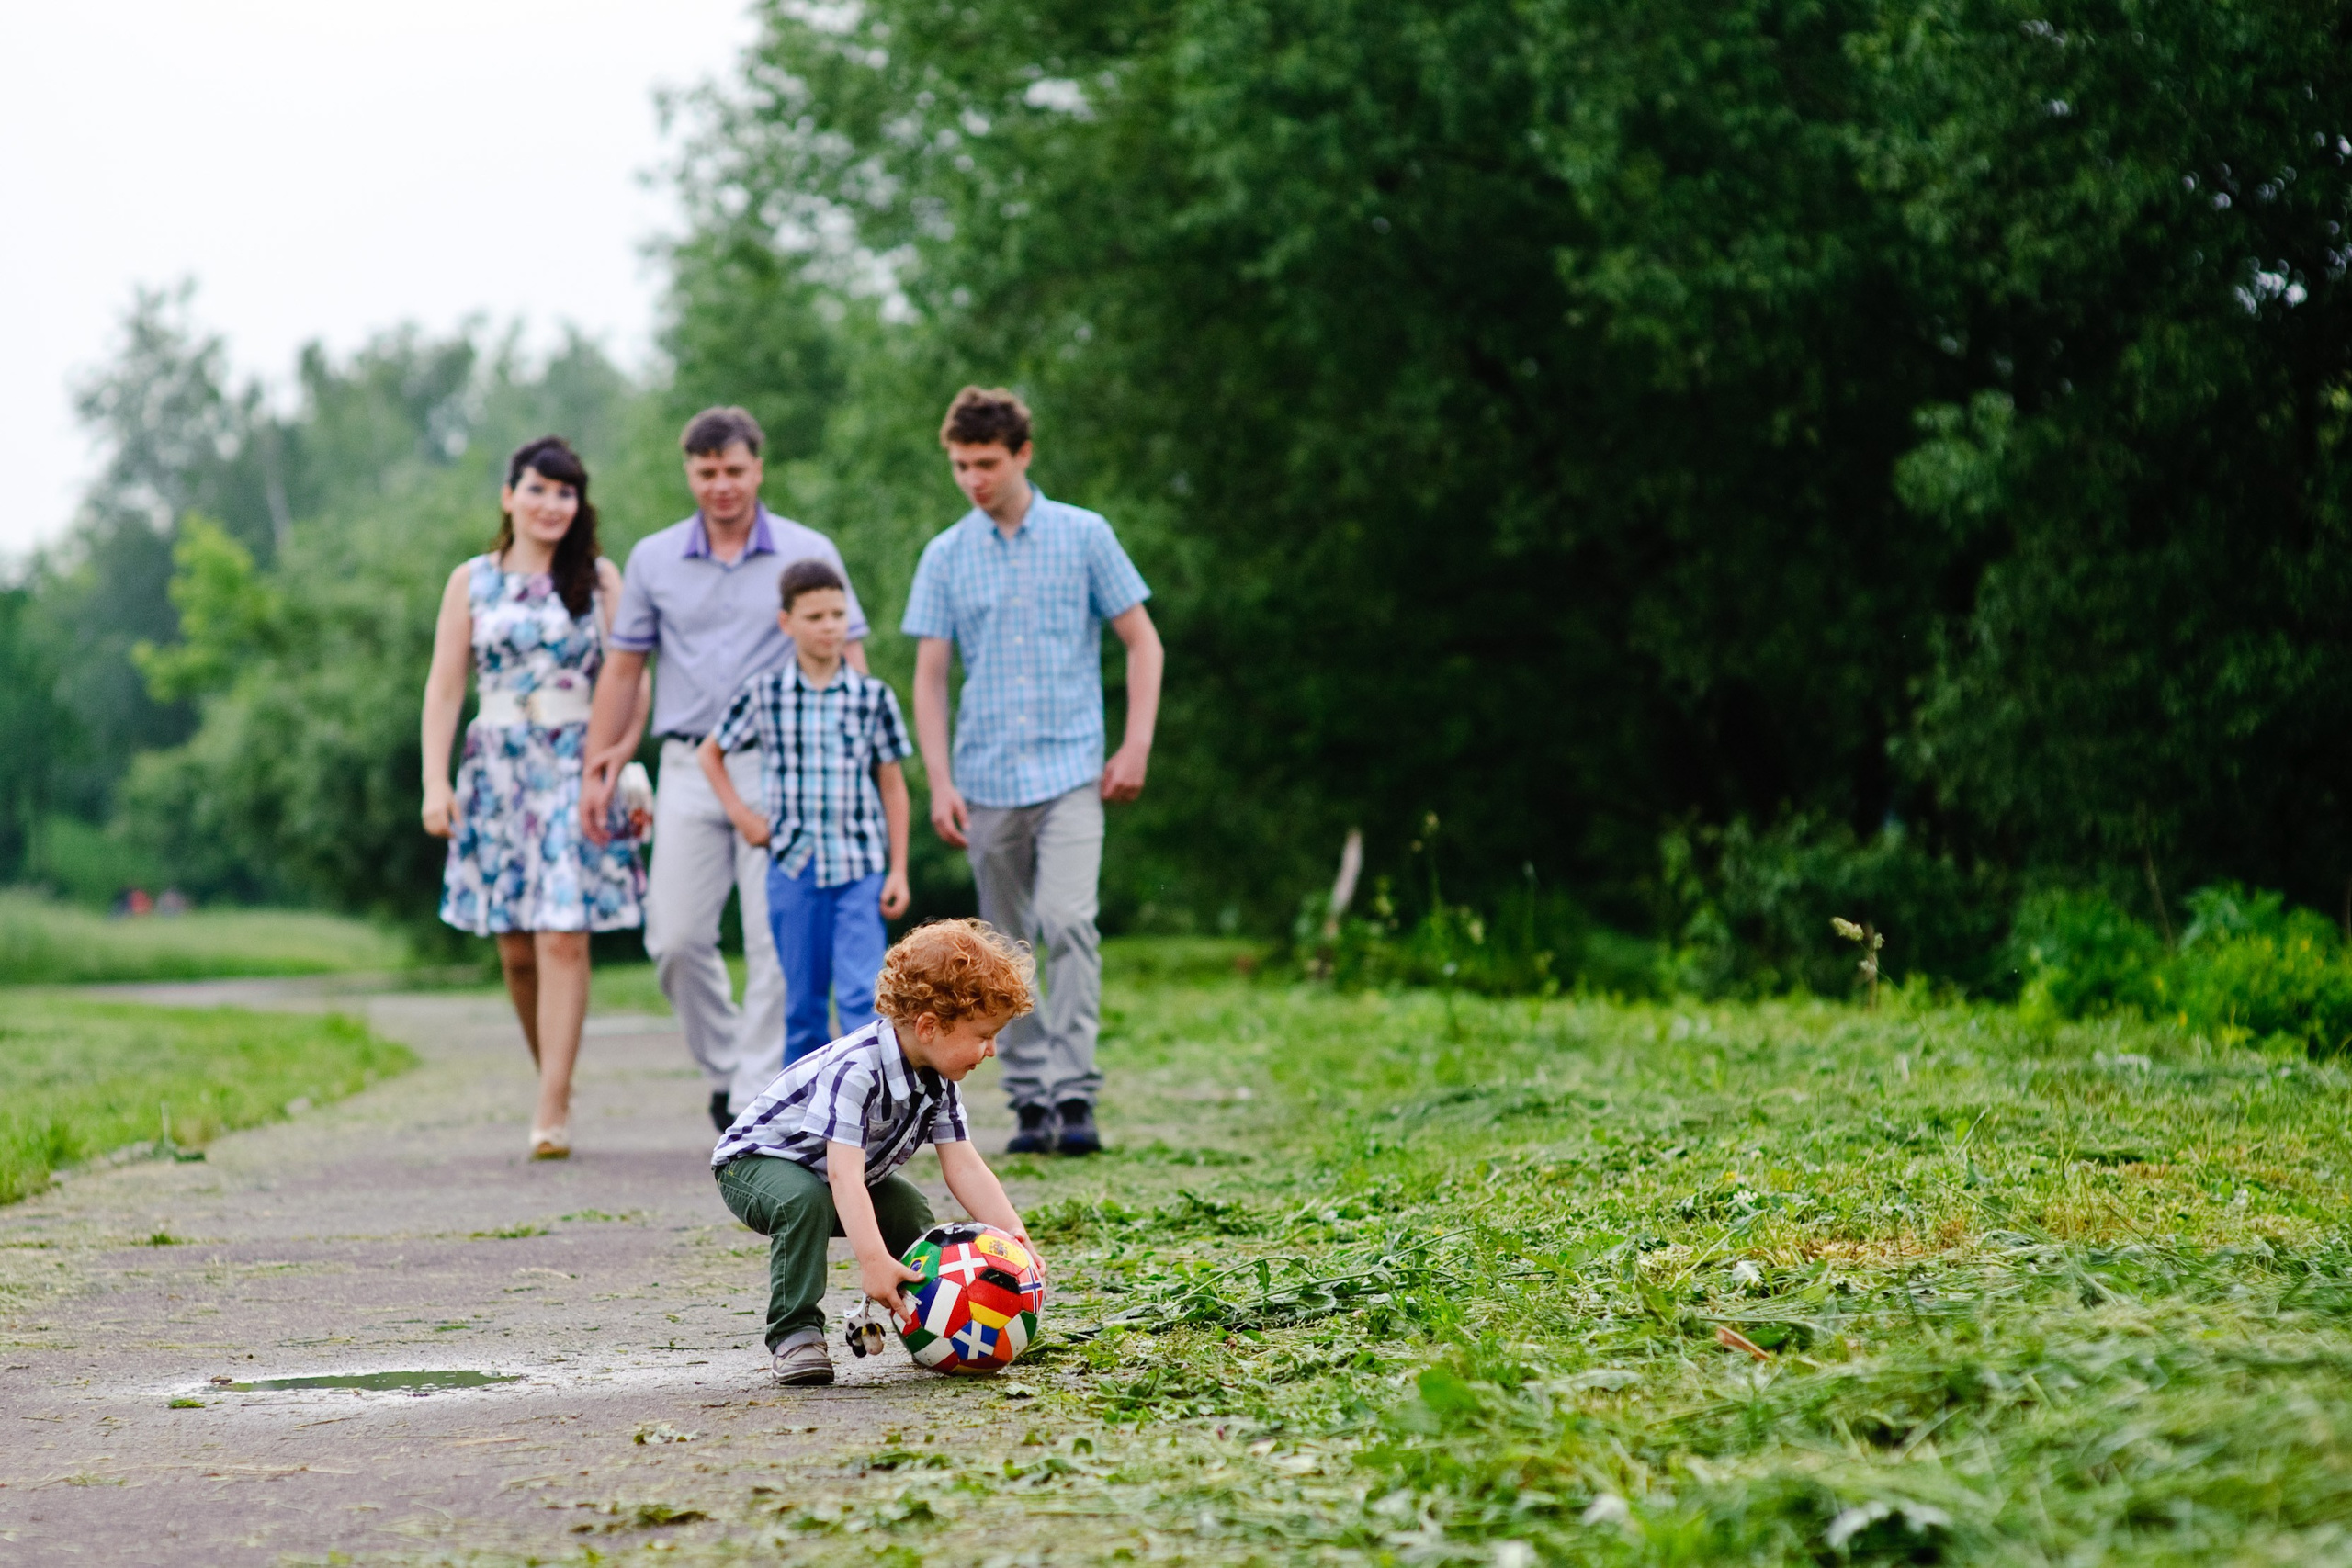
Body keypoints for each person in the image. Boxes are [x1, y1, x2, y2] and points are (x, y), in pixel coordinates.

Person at [581, 407, 873, 1132]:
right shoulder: (653, 558)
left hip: (787, 770)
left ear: (758, 468)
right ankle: (726, 1066)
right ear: (690, 471)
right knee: (674, 938)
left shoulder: (808, 550)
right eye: (707, 472)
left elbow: (850, 658)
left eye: (734, 470)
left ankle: (754, 1097)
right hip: (686, 762)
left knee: (775, 938)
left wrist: (855, 761)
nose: (722, 485)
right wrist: (600, 760)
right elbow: (623, 669)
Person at [903, 387, 1164, 1157]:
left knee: (1069, 919)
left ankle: (1075, 1088)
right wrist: (940, 779)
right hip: (986, 778)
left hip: (1071, 769)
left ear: (1021, 453)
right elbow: (929, 675)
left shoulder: (1085, 536)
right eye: (959, 465)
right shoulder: (945, 554)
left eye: (985, 463)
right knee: (1000, 947)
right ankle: (1028, 1099)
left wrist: (1136, 742)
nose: (973, 479)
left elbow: (1142, 640)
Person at [423, 435, 648, 1160]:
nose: (552, 504)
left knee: (562, 933)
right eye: (539, 489)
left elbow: (631, 676)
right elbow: (446, 685)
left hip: (573, 763)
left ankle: (551, 1104)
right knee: (516, 948)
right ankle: (554, 1072)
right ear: (509, 494)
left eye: (565, 492)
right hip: (495, 769)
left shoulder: (600, 578)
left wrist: (616, 755)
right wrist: (435, 780)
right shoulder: (472, 581)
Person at [712, 919, 1043, 1386]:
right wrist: (872, 1261)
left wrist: (1012, 1233)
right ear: (929, 1026)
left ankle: (927, 1325)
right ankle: (795, 1334)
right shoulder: (857, 1070)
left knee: (906, 1204)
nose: (990, 1050)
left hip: (831, 1176)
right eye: (983, 1035)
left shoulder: (940, 1081)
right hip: (755, 1166)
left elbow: (964, 1164)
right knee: (802, 1200)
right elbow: (844, 1176)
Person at [697, 558, 914, 1069]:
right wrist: (744, 817)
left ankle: (869, 1117)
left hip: (859, 867)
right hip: (794, 868)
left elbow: (892, 783)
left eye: (838, 615)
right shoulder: (764, 694)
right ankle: (807, 1126)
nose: (829, 627)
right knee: (802, 1005)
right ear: (787, 622)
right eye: (815, 616)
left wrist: (898, 867)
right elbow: (711, 752)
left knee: (864, 997)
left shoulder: (871, 697)